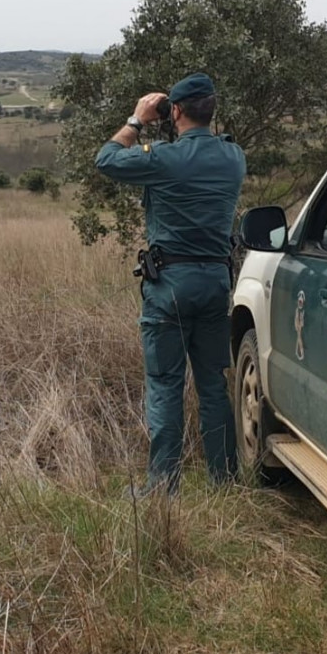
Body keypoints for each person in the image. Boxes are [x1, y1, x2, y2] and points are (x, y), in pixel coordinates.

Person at [95, 73, 246, 496]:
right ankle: (224, 481)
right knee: (214, 384)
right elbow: (207, 149)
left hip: (171, 287)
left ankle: (163, 485)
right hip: (217, 282)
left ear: (175, 111)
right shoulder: (234, 157)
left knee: (165, 385)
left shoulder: (162, 158)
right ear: (211, 109)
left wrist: (138, 119)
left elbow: (106, 159)